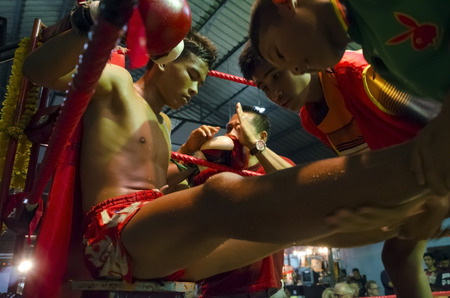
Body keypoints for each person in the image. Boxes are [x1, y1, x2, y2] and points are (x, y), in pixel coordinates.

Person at [21, 1, 446, 296]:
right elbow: (39, 71)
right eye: (192, 76)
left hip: (157, 245)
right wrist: (94, 16)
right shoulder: (115, 83)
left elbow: (157, 189)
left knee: (292, 230)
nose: (194, 89)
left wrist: (188, 158)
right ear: (164, 59)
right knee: (222, 192)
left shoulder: (166, 124)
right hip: (110, 238)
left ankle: (402, 211)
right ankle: (420, 170)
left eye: (203, 82)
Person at [238, 41, 446, 298]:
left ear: (298, 58)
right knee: (397, 258)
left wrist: (440, 197)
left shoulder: (359, 74)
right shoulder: (311, 118)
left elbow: (439, 119)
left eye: (277, 76)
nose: (275, 94)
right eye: (265, 88)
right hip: (411, 181)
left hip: (437, 171)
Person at [249, 0, 450, 199]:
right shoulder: (377, 57)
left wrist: (434, 196)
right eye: (264, 88)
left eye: (279, 55)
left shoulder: (362, 73)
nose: (294, 68)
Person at [179, 105, 295, 297]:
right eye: (229, 128)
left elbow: (297, 185)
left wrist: (255, 146)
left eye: (240, 128)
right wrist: (187, 150)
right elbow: (173, 195)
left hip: (266, 289)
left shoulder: (274, 167)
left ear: (262, 136)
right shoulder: (213, 173)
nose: (232, 133)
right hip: (216, 288)